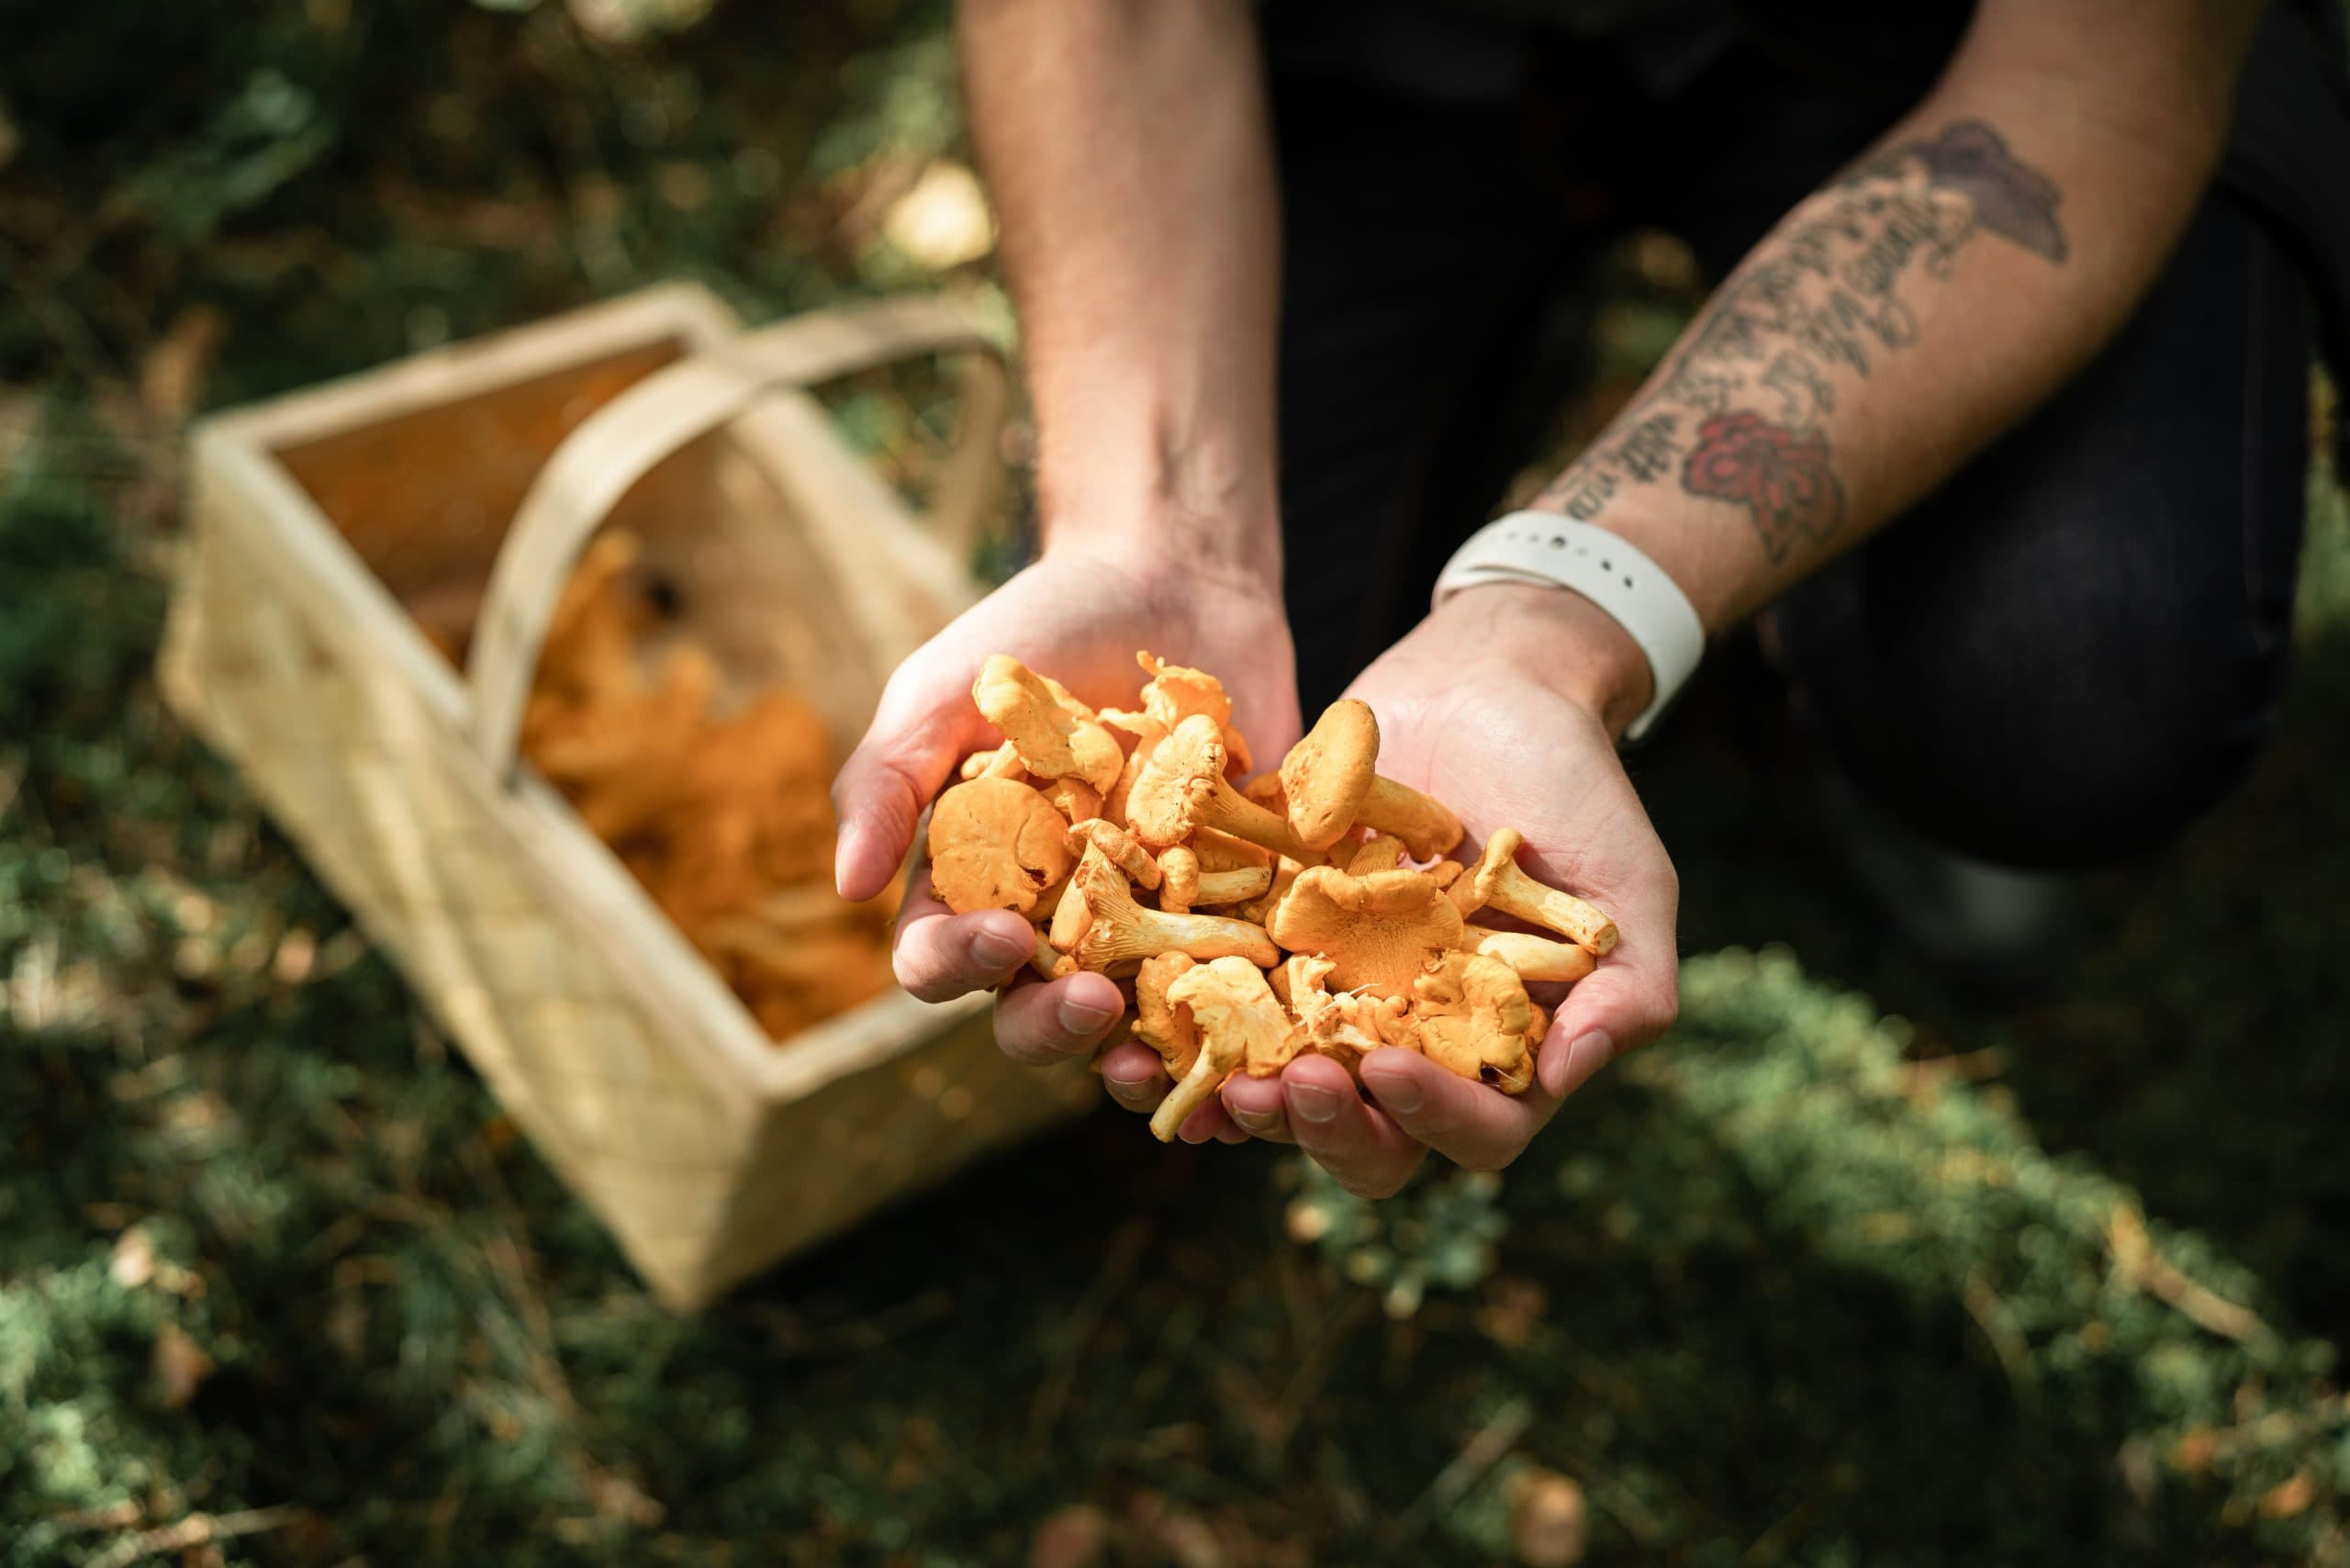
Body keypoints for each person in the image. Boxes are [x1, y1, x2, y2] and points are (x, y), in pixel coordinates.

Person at [833, 0, 2350, 1197]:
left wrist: (1560, 618)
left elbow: (2092, 80)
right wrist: (1150, 534)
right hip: (1347, 49)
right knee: (1262, 643)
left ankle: (1877, 679)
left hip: (1922, 51)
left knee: (2074, 669)